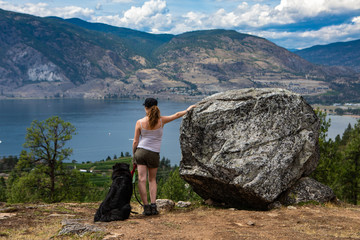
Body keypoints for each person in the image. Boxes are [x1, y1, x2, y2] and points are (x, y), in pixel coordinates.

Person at [132, 98, 196, 216]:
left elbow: (135, 142)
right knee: (152, 180)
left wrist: (134, 155)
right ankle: (153, 206)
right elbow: (176, 115)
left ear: (145, 108)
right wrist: (188, 109)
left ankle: (145, 207)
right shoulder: (161, 121)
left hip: (140, 152)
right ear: (156, 106)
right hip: (153, 154)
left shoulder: (139, 122)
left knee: (141, 179)